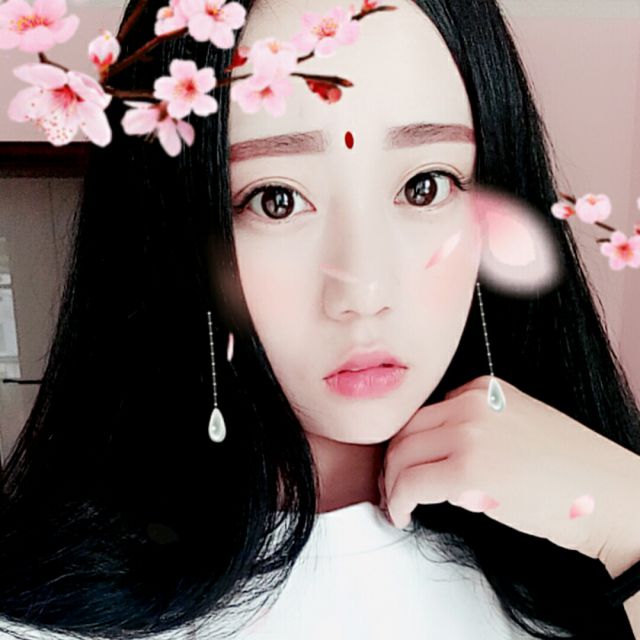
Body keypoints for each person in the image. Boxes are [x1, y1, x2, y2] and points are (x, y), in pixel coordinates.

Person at [1, 0, 639, 638]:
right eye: (276, 200)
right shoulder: (44, 623)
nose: (363, 291)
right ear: (172, 232)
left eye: (426, 185)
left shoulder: (589, 552)